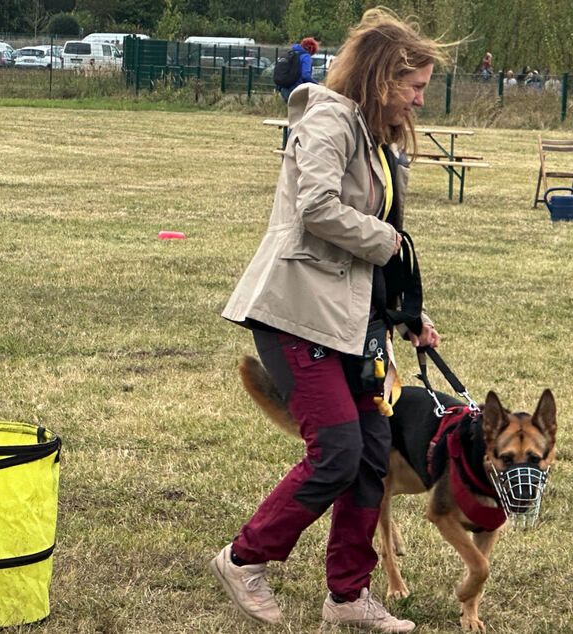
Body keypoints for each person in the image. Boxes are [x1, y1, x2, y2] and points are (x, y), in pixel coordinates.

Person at [212, 8, 443, 633]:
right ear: (381, 76)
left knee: (371, 453)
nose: (421, 99)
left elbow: (379, 244)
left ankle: (346, 596)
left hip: (349, 321)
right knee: (337, 452)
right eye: (414, 86)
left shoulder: (372, 136)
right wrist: (388, 242)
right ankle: (244, 559)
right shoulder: (327, 119)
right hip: (295, 313)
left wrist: (406, 316)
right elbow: (317, 207)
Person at [279, 37, 319, 103]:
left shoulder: (291, 53)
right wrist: (316, 85)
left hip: (284, 89)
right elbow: (305, 76)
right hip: (296, 90)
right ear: (311, 49)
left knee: (290, 112)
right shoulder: (306, 56)